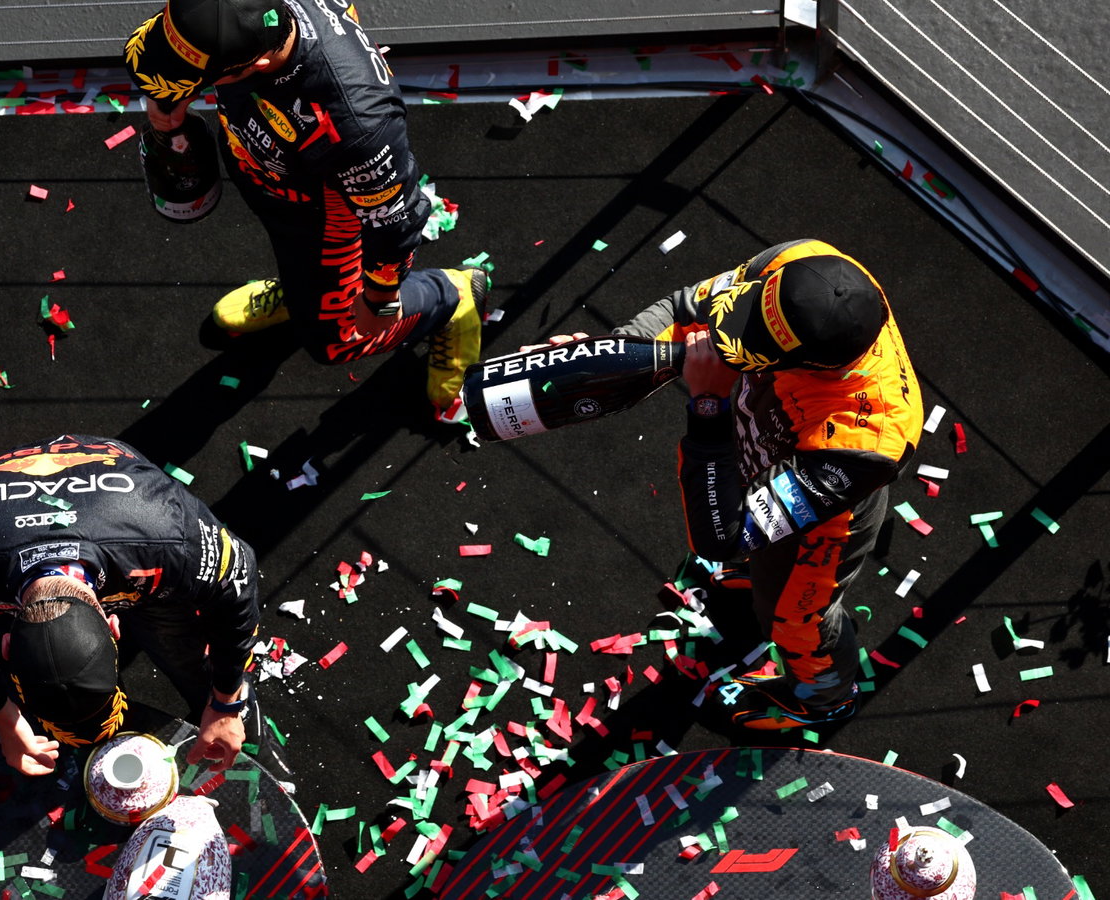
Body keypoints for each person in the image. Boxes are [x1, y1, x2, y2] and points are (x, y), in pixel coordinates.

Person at [551, 239, 923, 729]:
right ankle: (760, 575)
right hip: (760, 457)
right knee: (755, 557)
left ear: (811, 366)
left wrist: (708, 404)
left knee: (794, 622)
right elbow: (687, 310)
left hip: (820, 528)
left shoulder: (869, 435)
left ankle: (823, 698)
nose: (725, 341)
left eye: (750, 346)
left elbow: (721, 538)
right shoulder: (802, 263)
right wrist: (610, 359)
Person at [123, 0, 488, 420]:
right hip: (275, 177)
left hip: (325, 217)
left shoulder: (356, 127)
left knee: (339, 341)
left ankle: (451, 299)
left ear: (259, 60)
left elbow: (396, 222)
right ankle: (305, 292)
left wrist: (382, 299)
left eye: (201, 78)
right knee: (304, 276)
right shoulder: (248, 35)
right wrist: (171, 91)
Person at [0, 435, 262, 775]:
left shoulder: (170, 540)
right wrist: (6, 719)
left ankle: (219, 705)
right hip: (4, 526)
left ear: (115, 624)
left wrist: (225, 704)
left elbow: (238, 582)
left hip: (116, 491)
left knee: (178, 646)